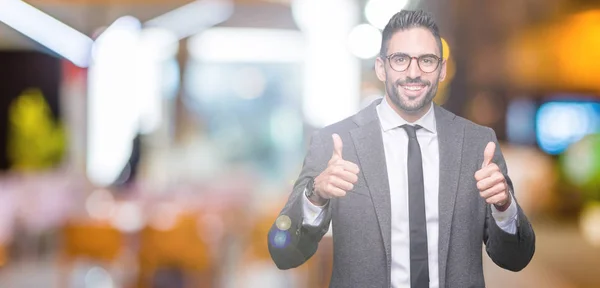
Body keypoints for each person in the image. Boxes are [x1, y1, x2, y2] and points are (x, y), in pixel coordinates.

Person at [267, 9, 535, 288]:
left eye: (427, 60)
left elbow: (516, 258)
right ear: (381, 67)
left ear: (442, 69)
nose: (414, 72)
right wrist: (315, 196)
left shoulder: (478, 144)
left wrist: (504, 206)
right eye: (400, 60)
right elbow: (283, 252)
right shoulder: (336, 143)